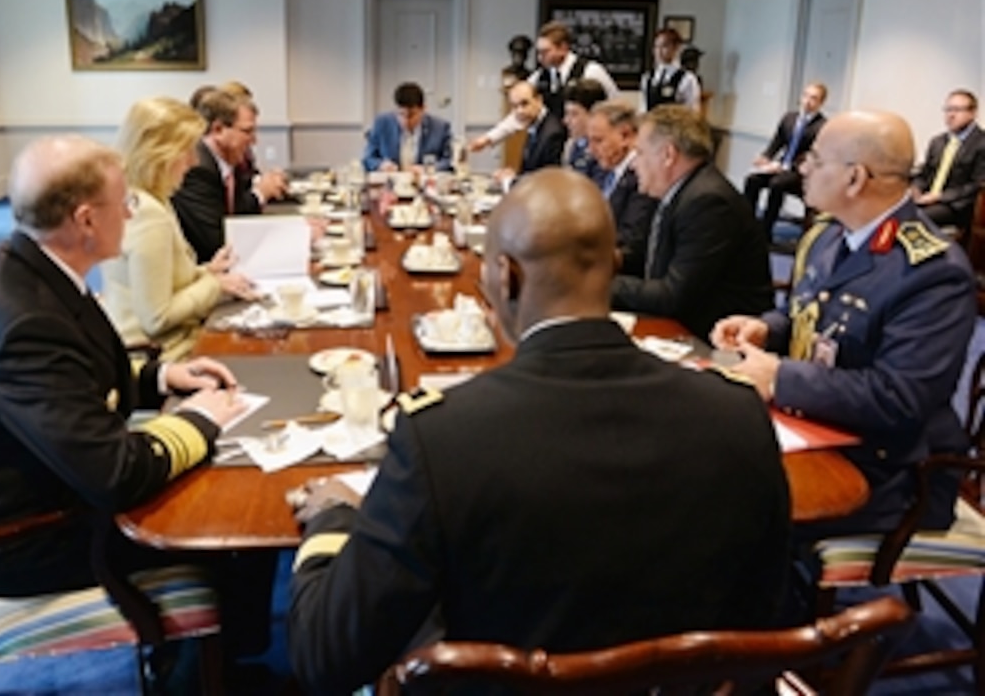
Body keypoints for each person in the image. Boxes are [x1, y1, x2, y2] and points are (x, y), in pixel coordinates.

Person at [286, 168, 791, 695]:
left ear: (506, 277)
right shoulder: (736, 415)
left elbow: (325, 657)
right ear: (613, 267)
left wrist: (332, 521)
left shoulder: (440, 439)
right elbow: (765, 617)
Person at [0, 135, 246, 597]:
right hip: (28, 538)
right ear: (86, 220)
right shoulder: (26, 325)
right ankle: (199, 665)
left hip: (53, 482)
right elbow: (115, 476)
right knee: (227, 522)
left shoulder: (35, 269)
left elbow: (80, 382)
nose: (131, 214)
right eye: (123, 202)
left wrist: (161, 377)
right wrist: (199, 422)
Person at [712, 110, 977, 537]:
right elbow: (810, 315)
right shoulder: (829, 235)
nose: (803, 167)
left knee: (736, 506)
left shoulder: (933, 271)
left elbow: (899, 398)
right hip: (819, 427)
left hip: (890, 468)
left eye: (816, 160)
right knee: (704, 467)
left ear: (855, 179)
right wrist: (767, 329)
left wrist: (781, 376)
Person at [100, 97, 255, 362]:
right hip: (162, 356)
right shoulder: (149, 215)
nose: (194, 161)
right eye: (187, 151)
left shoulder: (143, 198)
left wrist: (206, 271)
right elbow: (156, 318)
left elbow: (159, 281)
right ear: (161, 153)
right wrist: (215, 286)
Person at [611, 105, 772, 340]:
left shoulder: (708, 202)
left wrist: (604, 286)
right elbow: (646, 256)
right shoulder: (677, 191)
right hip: (684, 326)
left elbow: (673, 296)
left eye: (640, 153)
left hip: (719, 341)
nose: (634, 164)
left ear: (668, 155)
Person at [172, 89, 287, 263]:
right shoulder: (197, 169)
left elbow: (238, 214)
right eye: (247, 131)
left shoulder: (230, 161)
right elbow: (217, 242)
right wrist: (286, 236)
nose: (254, 141)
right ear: (218, 129)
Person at [469, 21, 619, 152]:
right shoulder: (540, 76)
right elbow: (520, 111)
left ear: (563, 48)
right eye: (538, 52)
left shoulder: (591, 71)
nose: (540, 57)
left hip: (585, 144)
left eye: (545, 52)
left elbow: (615, 107)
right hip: (551, 143)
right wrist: (489, 138)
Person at [744, 82, 828, 241]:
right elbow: (777, 142)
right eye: (806, 96)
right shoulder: (790, 118)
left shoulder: (822, 126)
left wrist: (787, 167)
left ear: (820, 103)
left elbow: (813, 156)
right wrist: (765, 158)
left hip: (800, 172)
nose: (807, 101)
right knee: (752, 180)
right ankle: (747, 225)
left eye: (814, 98)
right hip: (780, 166)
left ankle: (765, 231)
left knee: (777, 184)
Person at [585, 99, 658, 276]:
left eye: (598, 140)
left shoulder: (642, 177)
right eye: (589, 140)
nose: (590, 149)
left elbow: (630, 242)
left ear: (625, 136)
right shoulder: (601, 169)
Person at [910, 89, 985, 234]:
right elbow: (925, 173)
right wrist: (916, 188)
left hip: (957, 206)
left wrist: (939, 197)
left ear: (973, 113)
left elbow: (976, 185)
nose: (950, 115)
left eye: (957, 110)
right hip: (928, 198)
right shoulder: (938, 141)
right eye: (948, 109)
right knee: (894, 210)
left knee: (916, 218)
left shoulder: (981, 143)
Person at [362, 82, 453, 173]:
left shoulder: (440, 127)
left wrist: (427, 169)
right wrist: (381, 165)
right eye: (401, 114)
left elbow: (449, 161)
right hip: (390, 184)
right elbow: (368, 158)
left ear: (423, 109)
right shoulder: (381, 123)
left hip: (425, 184)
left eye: (411, 116)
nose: (406, 121)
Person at [494, 80, 566, 184]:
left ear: (539, 100)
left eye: (525, 103)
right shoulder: (535, 125)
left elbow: (547, 182)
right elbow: (531, 171)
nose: (520, 111)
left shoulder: (552, 133)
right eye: (514, 106)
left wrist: (509, 181)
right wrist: (514, 176)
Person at [639, 28, 701, 113]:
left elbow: (693, 110)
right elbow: (644, 107)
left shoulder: (687, 79)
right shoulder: (647, 78)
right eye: (656, 47)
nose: (659, 51)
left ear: (676, 48)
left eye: (664, 46)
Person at [561, 78, 608, 181]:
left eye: (574, 114)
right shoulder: (572, 145)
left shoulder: (604, 151)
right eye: (566, 113)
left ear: (594, 115)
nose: (566, 121)